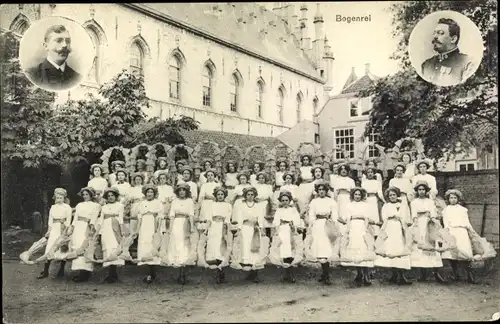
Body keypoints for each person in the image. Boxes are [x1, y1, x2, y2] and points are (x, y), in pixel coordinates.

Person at [409, 180, 448, 284]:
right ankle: (423, 274)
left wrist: (432, 218)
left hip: (429, 223)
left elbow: (433, 213)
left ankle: (436, 273)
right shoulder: (414, 202)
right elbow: (413, 215)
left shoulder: (430, 202)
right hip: (419, 224)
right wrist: (416, 223)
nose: (421, 191)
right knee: (420, 246)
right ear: (417, 191)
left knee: (432, 244)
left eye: (423, 189)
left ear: (426, 191)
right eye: (419, 189)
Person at [24, 25, 82, 91]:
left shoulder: (77, 77)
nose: (65, 45)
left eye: (68, 41)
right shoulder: (31, 74)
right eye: (59, 41)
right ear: (46, 46)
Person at [374, 187, 412, 285]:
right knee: (391, 249)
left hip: (399, 228)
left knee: (400, 248)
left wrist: (400, 219)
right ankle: (394, 274)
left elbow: (406, 217)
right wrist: (391, 216)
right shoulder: (386, 206)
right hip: (390, 228)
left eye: (394, 195)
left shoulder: (402, 205)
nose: (392, 197)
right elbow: (384, 217)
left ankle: (402, 275)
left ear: (397, 195)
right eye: (390, 195)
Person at [304, 181, 340, 286]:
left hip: (327, 225)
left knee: (326, 248)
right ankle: (324, 274)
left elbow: (335, 214)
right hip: (318, 225)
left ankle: (327, 275)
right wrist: (312, 223)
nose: (321, 192)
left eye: (323, 190)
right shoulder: (314, 202)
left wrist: (334, 223)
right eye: (319, 190)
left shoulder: (331, 201)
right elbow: (311, 214)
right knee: (319, 248)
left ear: (326, 191)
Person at [230, 187, 269, 283]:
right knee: (246, 249)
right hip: (245, 229)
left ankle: (255, 273)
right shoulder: (241, 206)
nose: (250, 196)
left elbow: (260, 218)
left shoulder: (258, 206)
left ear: (255, 195)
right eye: (248, 194)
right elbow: (239, 218)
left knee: (255, 249)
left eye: (252, 194)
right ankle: (249, 272)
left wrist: (261, 228)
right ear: (245, 195)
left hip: (254, 229)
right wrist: (239, 229)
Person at [421, 17, 475, 86]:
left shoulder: (467, 63)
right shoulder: (426, 65)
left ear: (453, 39)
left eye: (440, 33)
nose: (435, 36)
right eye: (434, 33)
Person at [340, 187, 376, 287]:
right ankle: (359, 273)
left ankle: (366, 275)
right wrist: (348, 229)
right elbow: (347, 218)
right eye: (355, 194)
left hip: (361, 227)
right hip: (352, 227)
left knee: (363, 248)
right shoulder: (349, 205)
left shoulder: (365, 205)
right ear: (352, 195)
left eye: (359, 195)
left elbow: (367, 218)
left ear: (362, 196)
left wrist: (365, 228)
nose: (357, 196)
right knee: (354, 249)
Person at [440, 189, 477, 284]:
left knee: (465, 253)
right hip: (452, 232)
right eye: (451, 198)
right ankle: (455, 274)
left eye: (455, 198)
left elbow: (467, 222)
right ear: (448, 199)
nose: (453, 199)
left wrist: (471, 231)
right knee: (452, 254)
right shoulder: (446, 210)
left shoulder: (463, 210)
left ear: (458, 199)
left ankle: (470, 275)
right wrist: (446, 234)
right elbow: (446, 223)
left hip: (462, 231)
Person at [198, 186, 232, 284]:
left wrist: (226, 228)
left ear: (224, 195)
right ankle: (217, 271)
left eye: (222, 194)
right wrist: (206, 229)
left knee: (222, 247)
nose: (220, 196)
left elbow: (228, 217)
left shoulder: (228, 205)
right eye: (218, 194)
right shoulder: (212, 205)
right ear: (216, 196)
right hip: (213, 227)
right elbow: (209, 218)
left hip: (222, 226)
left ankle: (222, 270)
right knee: (213, 247)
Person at [37, 188, 73, 279]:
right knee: (50, 248)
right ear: (55, 198)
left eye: (61, 198)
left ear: (64, 198)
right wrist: (49, 230)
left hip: (62, 228)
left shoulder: (67, 207)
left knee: (62, 248)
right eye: (57, 198)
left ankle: (61, 270)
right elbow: (50, 220)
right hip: (54, 229)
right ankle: (45, 271)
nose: (59, 199)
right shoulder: (53, 207)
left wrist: (66, 229)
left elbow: (68, 220)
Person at [165, 183, 197, 284]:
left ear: (186, 192)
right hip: (176, 224)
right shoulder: (174, 201)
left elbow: (191, 214)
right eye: (180, 190)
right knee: (177, 245)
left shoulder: (189, 201)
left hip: (186, 223)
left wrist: (192, 226)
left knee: (185, 245)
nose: (182, 192)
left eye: (184, 190)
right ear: (177, 192)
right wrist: (170, 228)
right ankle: (179, 271)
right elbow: (172, 215)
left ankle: (183, 273)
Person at [269, 191, 303, 283]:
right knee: (283, 252)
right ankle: (285, 275)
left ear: (289, 201)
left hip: (290, 230)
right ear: (280, 201)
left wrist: (294, 227)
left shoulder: (293, 209)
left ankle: (292, 274)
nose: (285, 202)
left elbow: (297, 220)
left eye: (286, 200)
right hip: (282, 230)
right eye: (283, 200)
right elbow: (276, 221)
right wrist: (277, 230)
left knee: (290, 252)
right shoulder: (279, 210)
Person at [69, 187, 101, 282]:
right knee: (77, 246)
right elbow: (75, 218)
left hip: (86, 227)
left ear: (91, 195)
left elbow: (94, 217)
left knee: (85, 247)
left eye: (87, 194)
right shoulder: (79, 205)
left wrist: (91, 227)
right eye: (83, 195)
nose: (85, 196)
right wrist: (72, 227)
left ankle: (85, 273)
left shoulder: (95, 205)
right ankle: (80, 271)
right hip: (78, 227)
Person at [96, 187, 126, 283]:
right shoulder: (104, 207)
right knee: (107, 247)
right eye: (108, 196)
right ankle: (111, 273)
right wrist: (97, 231)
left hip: (115, 228)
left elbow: (121, 219)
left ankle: (114, 273)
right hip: (106, 228)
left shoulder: (120, 206)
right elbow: (100, 220)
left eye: (112, 195)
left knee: (115, 247)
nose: (110, 197)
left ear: (115, 196)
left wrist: (122, 229)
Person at [136, 184, 165, 284]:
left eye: (151, 192)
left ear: (154, 193)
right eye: (148, 192)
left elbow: (160, 217)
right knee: (145, 246)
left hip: (154, 225)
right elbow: (139, 217)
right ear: (145, 193)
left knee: (153, 245)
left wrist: (157, 229)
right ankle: (149, 272)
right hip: (144, 226)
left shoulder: (158, 203)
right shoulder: (142, 203)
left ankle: (153, 272)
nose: (149, 194)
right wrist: (137, 229)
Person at [333, 163, 356, 235]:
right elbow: (335, 192)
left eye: (345, 169)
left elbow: (353, 191)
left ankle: (348, 231)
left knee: (347, 213)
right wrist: (335, 201)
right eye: (342, 169)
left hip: (348, 198)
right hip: (340, 198)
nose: (343, 171)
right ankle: (340, 232)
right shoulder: (336, 180)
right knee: (340, 213)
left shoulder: (351, 180)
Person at [361, 167, 384, 237]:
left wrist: (384, 200)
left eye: (371, 172)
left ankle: (376, 233)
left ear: (374, 173)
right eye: (368, 172)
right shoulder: (364, 183)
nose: (370, 174)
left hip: (374, 200)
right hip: (366, 200)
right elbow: (363, 192)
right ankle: (368, 231)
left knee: (375, 215)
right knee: (367, 214)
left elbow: (380, 192)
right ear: (366, 174)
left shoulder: (377, 182)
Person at [254, 171, 274, 239]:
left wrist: (272, 205)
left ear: (265, 179)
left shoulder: (268, 186)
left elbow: (270, 196)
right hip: (257, 204)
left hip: (265, 204)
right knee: (259, 219)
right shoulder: (255, 186)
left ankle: (268, 237)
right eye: (260, 178)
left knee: (266, 220)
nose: (261, 179)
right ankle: (259, 236)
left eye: (263, 178)